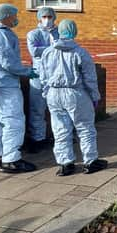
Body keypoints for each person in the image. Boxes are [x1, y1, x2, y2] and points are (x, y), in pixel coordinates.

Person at [39, 19, 108, 176]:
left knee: (60, 130)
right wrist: (95, 96)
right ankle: (90, 162)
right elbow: (90, 78)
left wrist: (46, 93)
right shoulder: (80, 52)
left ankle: (65, 164)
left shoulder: (48, 52)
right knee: (85, 128)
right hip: (75, 93)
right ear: (74, 31)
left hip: (53, 94)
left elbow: (43, 76)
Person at [0, 3, 38, 173]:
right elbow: (8, 62)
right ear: (6, 16)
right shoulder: (1, 35)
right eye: (14, 15)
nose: (16, 19)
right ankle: (11, 159)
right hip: (3, 82)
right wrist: (27, 71)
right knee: (13, 119)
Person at [26, 7, 59, 152]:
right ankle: (37, 139)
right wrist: (53, 48)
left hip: (55, 75)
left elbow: (64, 49)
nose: (47, 19)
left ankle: (59, 137)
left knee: (58, 108)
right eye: (44, 16)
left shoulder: (59, 33)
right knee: (37, 109)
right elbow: (34, 51)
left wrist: (46, 48)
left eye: (50, 16)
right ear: (39, 18)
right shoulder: (33, 34)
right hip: (38, 75)